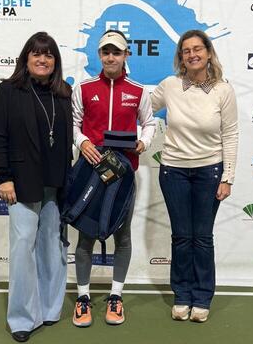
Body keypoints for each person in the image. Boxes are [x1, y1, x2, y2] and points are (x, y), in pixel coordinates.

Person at [0, 32, 73, 342]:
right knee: (23, 247)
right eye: (36, 54)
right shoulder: (9, 91)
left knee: (51, 247)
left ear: (55, 62)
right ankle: (22, 318)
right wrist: (2, 177)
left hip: (56, 184)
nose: (42, 59)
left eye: (48, 55)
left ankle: (48, 309)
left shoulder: (64, 93)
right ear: (26, 58)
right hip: (21, 183)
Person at [151, 30, 238, 323]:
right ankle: (182, 295)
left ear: (208, 53)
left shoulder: (223, 90)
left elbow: (231, 134)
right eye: (186, 50)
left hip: (210, 172)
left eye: (197, 49)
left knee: (202, 238)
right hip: (173, 171)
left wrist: (228, 177)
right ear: (181, 57)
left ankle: (201, 297)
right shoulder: (170, 85)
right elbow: (141, 110)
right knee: (181, 237)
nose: (192, 54)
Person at [72, 30, 156, 327]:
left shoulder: (138, 91)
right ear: (99, 55)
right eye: (106, 52)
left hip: (123, 175)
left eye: (116, 52)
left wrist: (144, 142)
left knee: (123, 235)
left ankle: (116, 296)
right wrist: (82, 141)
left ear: (126, 55)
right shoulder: (83, 88)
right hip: (90, 173)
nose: (111, 57)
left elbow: (149, 122)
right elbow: (73, 123)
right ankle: (83, 298)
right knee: (85, 235)